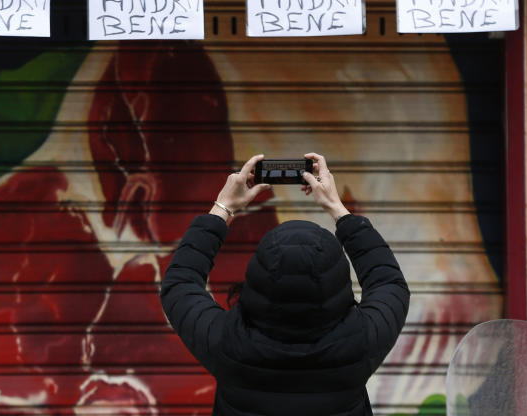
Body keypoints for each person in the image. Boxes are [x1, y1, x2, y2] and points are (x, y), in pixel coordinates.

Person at [160, 153, 410, 416]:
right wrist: (337, 208)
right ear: (337, 281)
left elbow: (180, 283)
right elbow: (388, 281)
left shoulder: (228, 343)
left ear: (256, 278)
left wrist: (224, 206)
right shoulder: (361, 341)